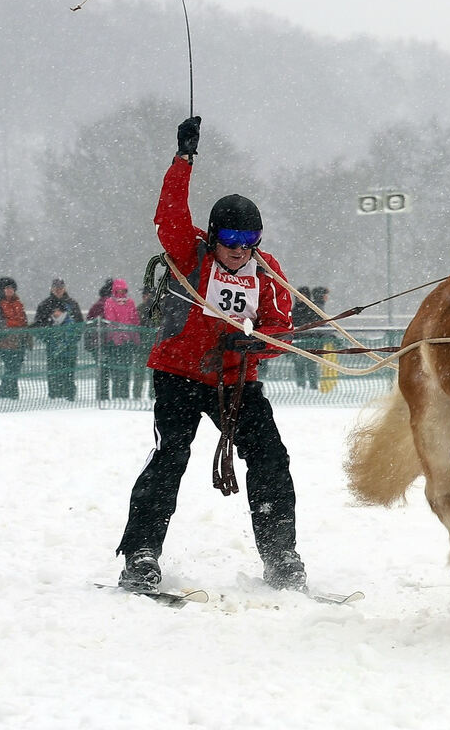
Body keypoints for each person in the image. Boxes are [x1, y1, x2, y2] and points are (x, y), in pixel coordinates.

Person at [116, 116, 305, 594]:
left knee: (270, 458)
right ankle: (141, 555)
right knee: (170, 458)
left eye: (250, 243)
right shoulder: (191, 253)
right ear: (214, 236)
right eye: (231, 242)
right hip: (178, 374)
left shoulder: (268, 272)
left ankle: (282, 557)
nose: (240, 252)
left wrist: (256, 343)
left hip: (236, 382)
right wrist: (184, 160)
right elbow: (169, 215)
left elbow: (280, 327)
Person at [32, 278, 84, 400]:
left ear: (64, 289)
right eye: (56, 288)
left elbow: (80, 323)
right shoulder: (45, 305)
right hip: (53, 346)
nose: (58, 290)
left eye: (60, 288)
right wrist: (49, 337)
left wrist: (74, 338)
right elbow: (38, 325)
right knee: (54, 372)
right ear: (52, 289)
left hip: (70, 346)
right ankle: (55, 395)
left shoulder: (72, 304)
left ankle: (69, 395)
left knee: (69, 371)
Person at [0, 277, 30, 399]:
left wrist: (25, 333)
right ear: (2, 290)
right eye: (7, 288)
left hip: (19, 341)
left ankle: (10, 393)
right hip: (5, 341)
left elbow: (23, 320)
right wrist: (10, 328)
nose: (9, 290)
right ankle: (7, 393)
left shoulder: (18, 304)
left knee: (15, 368)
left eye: (11, 288)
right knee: (11, 367)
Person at [101, 278, 141, 399]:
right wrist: (120, 333)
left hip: (128, 341)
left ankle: (125, 396)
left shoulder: (130, 302)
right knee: (116, 371)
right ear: (114, 290)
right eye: (119, 290)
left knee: (126, 370)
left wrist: (134, 337)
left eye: (123, 290)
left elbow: (134, 320)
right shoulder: (109, 302)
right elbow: (111, 320)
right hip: (114, 342)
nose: (121, 293)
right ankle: (117, 396)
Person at [291, 286, 331, 389]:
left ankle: (312, 386)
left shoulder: (311, 309)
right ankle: (302, 386)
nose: (300, 298)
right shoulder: (296, 310)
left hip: (309, 341)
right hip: (301, 342)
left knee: (310, 365)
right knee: (300, 365)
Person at [85, 279, 113, 400]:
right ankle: (112, 395)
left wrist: (90, 343)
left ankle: (102, 395)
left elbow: (88, 324)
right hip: (111, 343)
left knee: (102, 372)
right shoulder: (112, 305)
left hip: (98, 343)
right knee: (115, 372)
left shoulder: (96, 306)